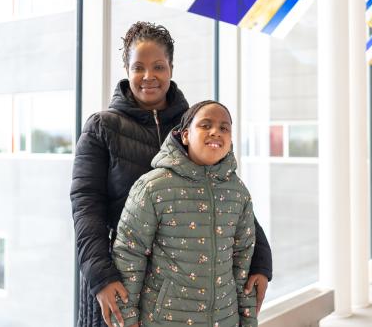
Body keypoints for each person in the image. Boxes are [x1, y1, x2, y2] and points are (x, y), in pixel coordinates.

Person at [70, 22, 272, 327]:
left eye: (158, 67)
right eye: (138, 67)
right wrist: (101, 274)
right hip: (120, 276)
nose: (149, 76)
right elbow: (86, 205)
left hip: (186, 291)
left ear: (171, 68)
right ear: (126, 69)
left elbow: (225, 193)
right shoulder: (102, 127)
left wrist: (261, 260)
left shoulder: (194, 124)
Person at [111, 100, 257, 327]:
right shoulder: (153, 187)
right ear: (186, 135)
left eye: (224, 128)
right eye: (205, 125)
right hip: (164, 320)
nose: (215, 132)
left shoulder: (238, 193)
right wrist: (127, 319)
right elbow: (129, 253)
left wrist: (247, 320)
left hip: (225, 320)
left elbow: (243, 258)